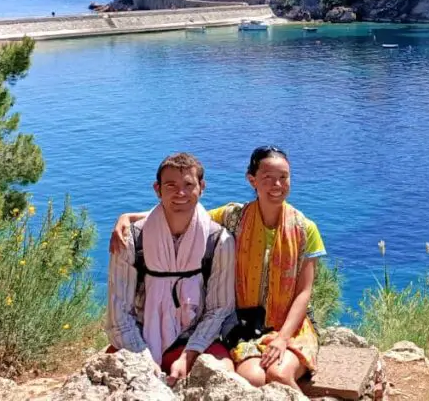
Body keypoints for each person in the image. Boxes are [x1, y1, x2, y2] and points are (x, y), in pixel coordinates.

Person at [109, 146, 326, 390]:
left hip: (289, 327)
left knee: (277, 375)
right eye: (267, 177)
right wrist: (129, 218)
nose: (276, 184)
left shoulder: (305, 229)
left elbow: (303, 292)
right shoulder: (235, 217)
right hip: (246, 327)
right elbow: (183, 212)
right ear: (252, 180)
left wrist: (283, 338)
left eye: (283, 177)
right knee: (252, 379)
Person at [103, 152, 236, 383]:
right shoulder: (130, 240)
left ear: (201, 187)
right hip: (138, 340)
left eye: (188, 185)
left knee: (223, 378)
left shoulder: (219, 241)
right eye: (171, 185)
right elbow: (119, 313)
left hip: (194, 339)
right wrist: (143, 359)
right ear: (157, 189)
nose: (180, 193)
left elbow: (219, 308)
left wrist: (188, 355)